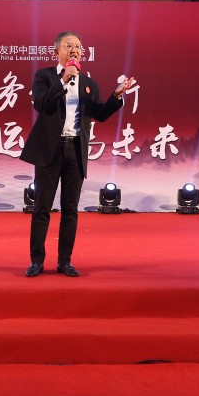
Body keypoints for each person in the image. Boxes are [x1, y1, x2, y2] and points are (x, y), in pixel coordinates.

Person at [20, 31, 133, 277]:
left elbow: (100, 114)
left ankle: (65, 261)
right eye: (69, 45)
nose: (75, 50)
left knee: (70, 210)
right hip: (50, 151)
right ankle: (37, 261)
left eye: (79, 46)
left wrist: (116, 97)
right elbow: (41, 104)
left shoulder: (89, 83)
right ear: (57, 51)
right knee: (42, 208)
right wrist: (63, 79)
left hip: (76, 150)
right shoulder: (44, 76)